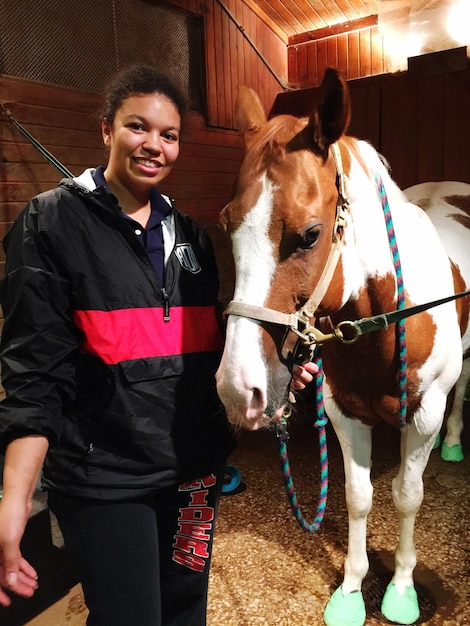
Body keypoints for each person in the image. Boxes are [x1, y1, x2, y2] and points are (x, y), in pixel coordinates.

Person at [0, 65, 316, 625]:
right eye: (137, 127)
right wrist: (14, 502)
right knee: (131, 617)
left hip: (194, 473)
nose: (154, 145)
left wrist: (277, 367)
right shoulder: (49, 224)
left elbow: (204, 348)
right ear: (106, 130)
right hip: (106, 480)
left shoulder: (192, 235)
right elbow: (34, 374)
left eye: (168, 135)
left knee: (187, 607)